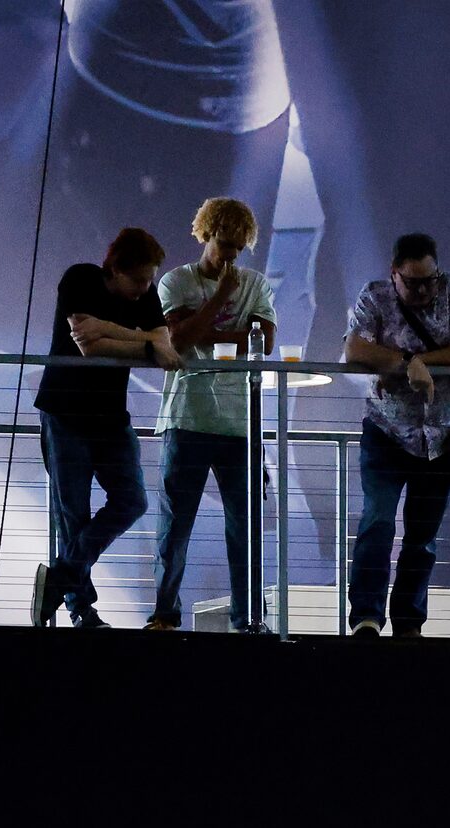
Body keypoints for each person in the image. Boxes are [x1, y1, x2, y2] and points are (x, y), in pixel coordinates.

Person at [30, 229, 178, 631]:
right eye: (139, 280)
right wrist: (145, 342)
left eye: (150, 280)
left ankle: (61, 576)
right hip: (65, 413)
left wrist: (121, 334)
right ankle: (83, 612)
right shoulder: (80, 278)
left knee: (132, 500)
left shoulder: (145, 296)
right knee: (73, 514)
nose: (146, 289)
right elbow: (88, 345)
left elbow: (164, 346)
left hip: (111, 417)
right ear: (115, 269)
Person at [340, 232, 450, 637]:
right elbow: (355, 349)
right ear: (394, 274)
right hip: (386, 431)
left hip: (441, 436)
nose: (423, 290)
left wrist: (417, 361)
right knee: (377, 521)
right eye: (412, 282)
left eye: (429, 281)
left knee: (422, 536)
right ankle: (366, 616)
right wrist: (407, 362)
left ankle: (408, 622)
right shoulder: (374, 296)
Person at [150, 197, 275, 632]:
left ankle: (249, 618)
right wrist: (222, 300)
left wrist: (213, 332)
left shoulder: (256, 284)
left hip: (241, 423)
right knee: (175, 526)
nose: (230, 255)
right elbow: (180, 339)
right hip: (187, 417)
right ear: (206, 235)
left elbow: (266, 341)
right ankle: (165, 615)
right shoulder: (176, 281)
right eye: (224, 244)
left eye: (238, 248)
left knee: (245, 529)